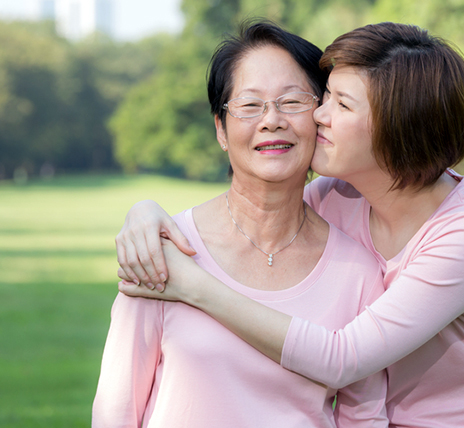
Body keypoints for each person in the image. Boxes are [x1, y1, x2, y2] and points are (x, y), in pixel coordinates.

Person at [116, 22, 464, 427]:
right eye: (326, 97)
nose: (319, 115)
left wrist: (191, 286)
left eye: (342, 104)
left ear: (399, 125)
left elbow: (342, 359)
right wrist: (144, 212)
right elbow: (254, 209)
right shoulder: (336, 199)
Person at [92, 21, 389, 428]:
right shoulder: (163, 251)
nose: (272, 120)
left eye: (292, 101)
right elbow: (116, 409)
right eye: (250, 105)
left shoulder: (358, 272)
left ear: (321, 116)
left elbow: (365, 417)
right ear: (220, 129)